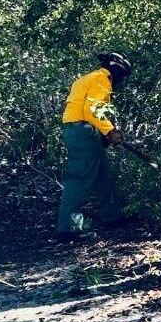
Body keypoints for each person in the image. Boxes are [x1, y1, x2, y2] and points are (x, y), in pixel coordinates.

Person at [57, 52, 132, 238]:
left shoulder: (86, 78)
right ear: (117, 67)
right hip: (83, 132)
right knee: (80, 180)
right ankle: (68, 228)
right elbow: (92, 110)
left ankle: (113, 217)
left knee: (102, 176)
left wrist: (104, 135)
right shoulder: (102, 79)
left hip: (79, 131)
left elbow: (86, 108)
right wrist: (110, 131)